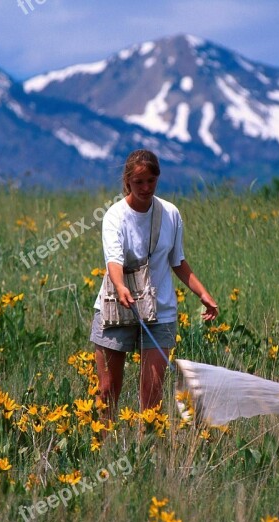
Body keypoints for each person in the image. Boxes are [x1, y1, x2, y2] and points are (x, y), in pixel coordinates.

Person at [91, 149, 218, 418]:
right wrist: (121, 286)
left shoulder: (170, 213)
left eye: (151, 181)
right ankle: (102, 448)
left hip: (160, 312)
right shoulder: (114, 216)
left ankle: (146, 453)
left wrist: (203, 294)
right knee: (107, 390)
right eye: (139, 182)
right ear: (127, 181)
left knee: (152, 396)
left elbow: (178, 261)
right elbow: (113, 261)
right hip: (117, 305)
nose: (146, 188)